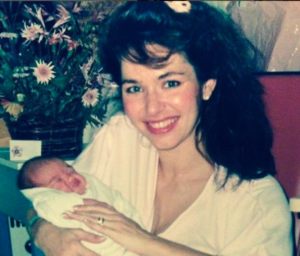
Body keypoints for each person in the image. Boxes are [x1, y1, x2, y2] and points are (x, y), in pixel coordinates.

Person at [27, 1, 293, 256]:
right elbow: (41, 197)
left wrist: (145, 242)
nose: (152, 108)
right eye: (135, 88)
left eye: (170, 83)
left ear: (207, 85)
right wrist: (43, 230)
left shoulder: (255, 203)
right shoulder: (120, 140)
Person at [18, 156, 142, 256]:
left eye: (70, 171)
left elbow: (117, 200)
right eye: (58, 181)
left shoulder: (93, 184)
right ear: (44, 192)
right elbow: (44, 211)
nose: (69, 177)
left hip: (130, 244)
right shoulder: (54, 201)